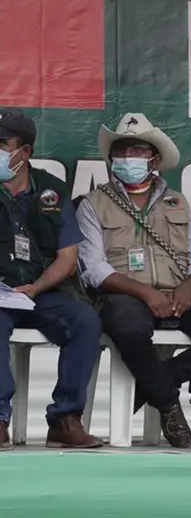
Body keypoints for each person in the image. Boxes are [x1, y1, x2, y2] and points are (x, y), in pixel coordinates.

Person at [76, 113, 191, 448]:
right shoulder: (93, 204)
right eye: (122, 150)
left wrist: (190, 288)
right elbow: (94, 269)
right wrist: (144, 292)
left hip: (178, 294)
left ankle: (158, 383)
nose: (129, 157)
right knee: (127, 325)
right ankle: (169, 403)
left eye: (138, 150)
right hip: (125, 295)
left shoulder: (177, 202)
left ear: (154, 159)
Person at [0, 109, 103, 449]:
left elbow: (68, 258)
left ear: (24, 152)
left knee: (85, 320)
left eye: (2, 143)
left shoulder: (53, 191)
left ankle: (65, 419)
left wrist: (36, 287)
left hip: (38, 289)